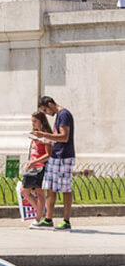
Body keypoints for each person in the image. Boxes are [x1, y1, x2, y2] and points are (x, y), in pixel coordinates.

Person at [32, 96, 75, 230]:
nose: (46, 113)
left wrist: (44, 135)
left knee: (65, 188)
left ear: (50, 104)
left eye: (45, 110)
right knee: (50, 188)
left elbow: (64, 137)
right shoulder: (59, 115)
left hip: (64, 156)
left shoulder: (64, 115)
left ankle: (66, 220)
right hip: (56, 156)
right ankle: (48, 218)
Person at [22, 111, 52, 226]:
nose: (33, 123)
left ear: (41, 121)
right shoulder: (35, 134)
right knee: (24, 191)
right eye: (32, 121)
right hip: (32, 166)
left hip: (40, 166)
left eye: (35, 121)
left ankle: (38, 218)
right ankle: (41, 211)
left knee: (39, 192)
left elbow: (48, 154)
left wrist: (35, 161)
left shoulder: (46, 135)